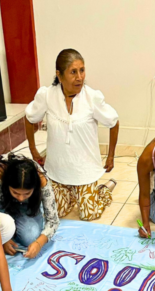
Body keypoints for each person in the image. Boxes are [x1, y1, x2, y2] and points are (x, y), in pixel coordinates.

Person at [25, 49, 119, 222]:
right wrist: (33, 150)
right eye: (73, 72)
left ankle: (103, 190)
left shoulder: (92, 97)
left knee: (89, 215)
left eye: (82, 70)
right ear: (59, 75)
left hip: (85, 170)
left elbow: (114, 122)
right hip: (58, 170)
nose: (79, 77)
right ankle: (75, 194)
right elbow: (30, 118)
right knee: (57, 213)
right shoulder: (47, 95)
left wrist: (111, 155)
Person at [0, 153, 59, 259]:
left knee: (31, 236)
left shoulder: (42, 181)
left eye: (27, 193)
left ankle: (15, 223)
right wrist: (2, 240)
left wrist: (39, 243)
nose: (21, 198)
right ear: (7, 185)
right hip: (0, 204)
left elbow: (53, 221)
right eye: (15, 192)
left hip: (25, 208)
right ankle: (9, 227)